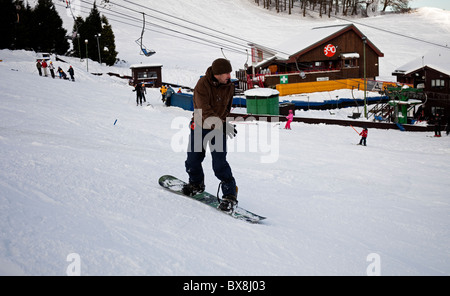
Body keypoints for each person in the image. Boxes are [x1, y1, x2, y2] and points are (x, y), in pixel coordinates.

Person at [183, 58, 238, 212]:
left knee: (220, 164)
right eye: (226, 73)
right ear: (217, 74)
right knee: (193, 159)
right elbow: (204, 110)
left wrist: (223, 122)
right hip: (200, 125)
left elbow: (228, 107)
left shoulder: (229, 86)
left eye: (229, 72)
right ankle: (196, 183)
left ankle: (230, 195)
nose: (229, 75)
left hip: (218, 128)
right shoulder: (202, 85)